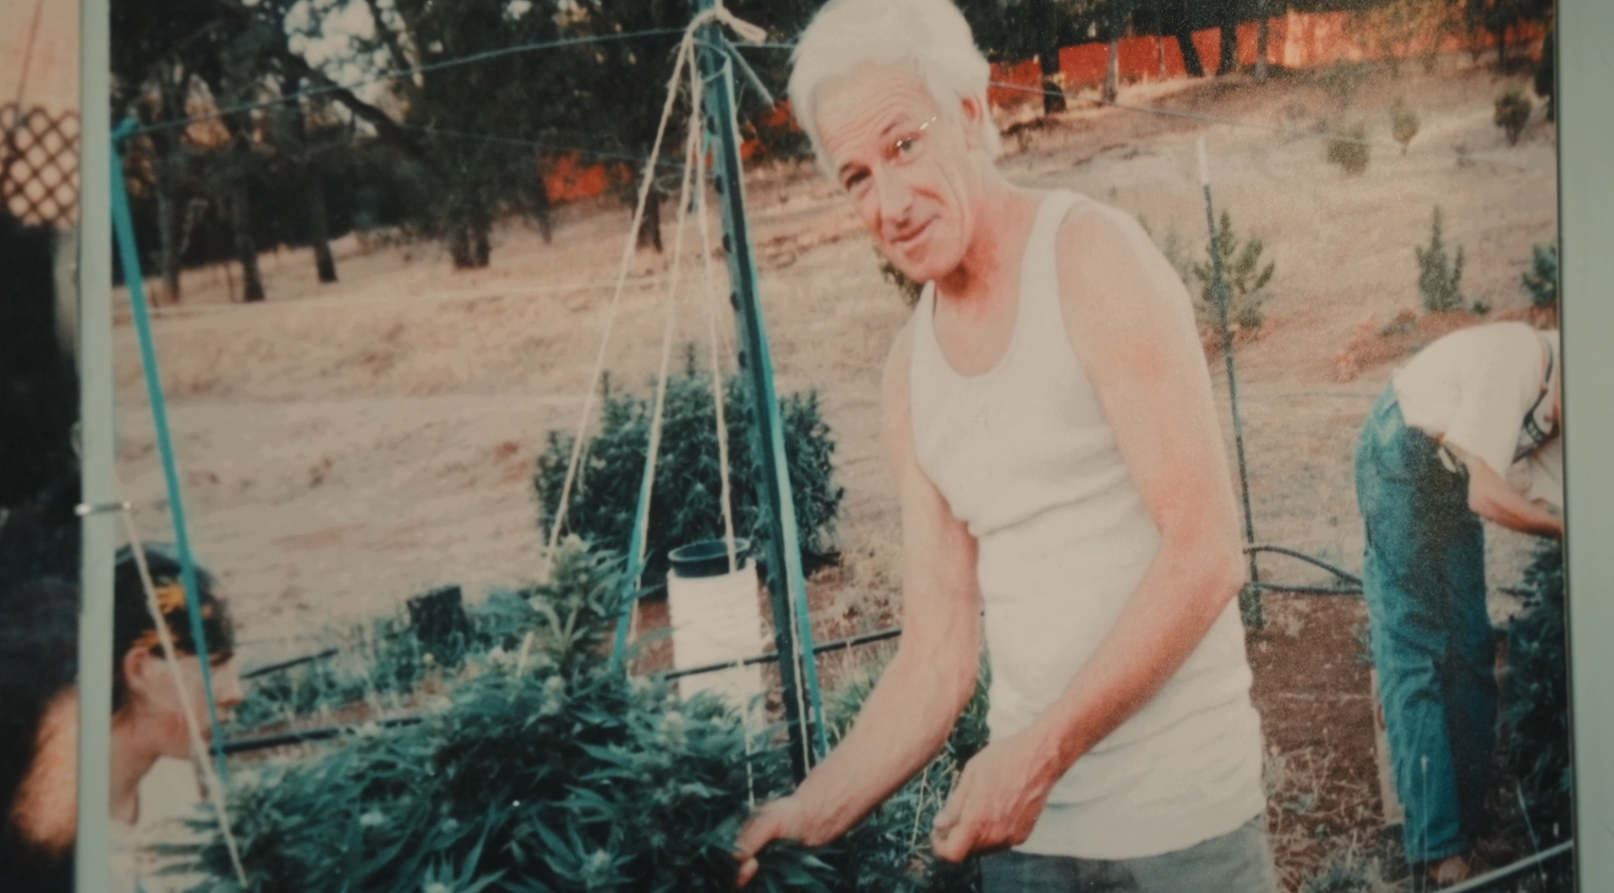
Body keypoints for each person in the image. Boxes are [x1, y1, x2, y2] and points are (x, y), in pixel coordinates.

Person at [734, 1, 1276, 889]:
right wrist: (814, 807)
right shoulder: (911, 372)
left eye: (905, 145)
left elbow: (1207, 552)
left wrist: (1038, 754)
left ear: (974, 114)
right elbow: (937, 658)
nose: (891, 204)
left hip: (1185, 830)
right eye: (858, 176)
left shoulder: (1092, 259)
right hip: (1027, 846)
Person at [1353, 322, 1563, 887]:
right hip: (1400, 452)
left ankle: (1467, 830)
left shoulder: (1562, 406)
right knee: (1416, 648)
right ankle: (1438, 850)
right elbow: (1489, 495)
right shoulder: (1518, 359)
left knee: (1470, 646)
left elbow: (1554, 499)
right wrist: (1570, 528)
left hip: (1450, 473)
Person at [0, 546, 243, 892]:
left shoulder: (172, 784)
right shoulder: (43, 836)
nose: (235, 691)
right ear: (140, 670)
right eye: (214, 665)